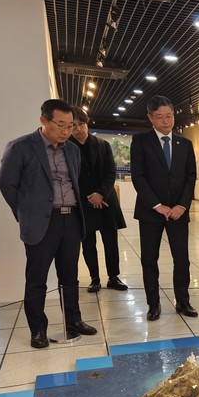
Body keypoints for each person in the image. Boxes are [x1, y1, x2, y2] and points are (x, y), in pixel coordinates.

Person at [0, 99, 98, 348]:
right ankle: (38, 330)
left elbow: (73, 181)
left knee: (70, 276)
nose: (66, 131)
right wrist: (26, 213)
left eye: (70, 126)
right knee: (37, 278)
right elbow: (7, 184)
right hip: (42, 222)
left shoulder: (72, 150)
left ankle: (74, 321)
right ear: (43, 120)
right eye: (61, 125)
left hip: (71, 218)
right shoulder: (21, 147)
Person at [130, 95, 197, 321]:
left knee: (182, 258)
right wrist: (157, 205)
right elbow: (138, 177)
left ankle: (183, 301)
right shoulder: (141, 142)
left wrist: (182, 205)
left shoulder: (185, 144)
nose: (166, 121)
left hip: (178, 212)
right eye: (160, 117)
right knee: (149, 259)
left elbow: (190, 177)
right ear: (151, 118)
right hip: (150, 211)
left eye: (169, 116)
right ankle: (153, 303)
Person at [69, 108, 128, 294]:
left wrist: (101, 194)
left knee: (111, 242)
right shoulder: (67, 147)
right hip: (83, 202)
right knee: (88, 243)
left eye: (81, 124)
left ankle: (113, 277)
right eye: (74, 126)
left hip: (106, 201)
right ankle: (94, 278)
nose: (78, 129)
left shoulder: (102, 145)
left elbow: (111, 172)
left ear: (87, 124)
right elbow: (70, 177)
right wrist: (89, 196)